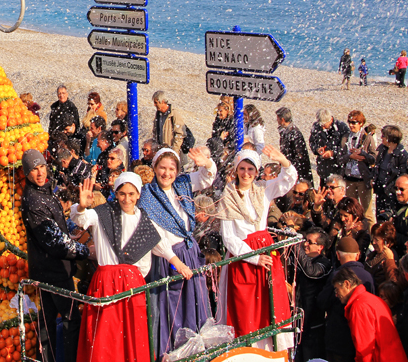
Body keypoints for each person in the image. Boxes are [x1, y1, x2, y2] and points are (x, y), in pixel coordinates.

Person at [71, 172, 185, 362]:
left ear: (138, 195)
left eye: (132, 194)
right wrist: (82, 206)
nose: (127, 198)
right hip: (106, 283)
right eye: (122, 193)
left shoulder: (143, 220)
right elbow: (81, 220)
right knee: (105, 334)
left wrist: (179, 264)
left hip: (133, 284)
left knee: (132, 333)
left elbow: (161, 245)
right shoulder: (103, 214)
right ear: (116, 194)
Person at [216, 146, 297, 351]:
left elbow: (288, 181)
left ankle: (272, 351)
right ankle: (250, 350)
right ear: (236, 170)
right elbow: (229, 238)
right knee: (247, 310)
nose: (246, 174)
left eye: (250, 169)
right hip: (244, 258)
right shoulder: (228, 196)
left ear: (256, 171)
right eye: (242, 169)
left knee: (270, 306)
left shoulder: (263, 189)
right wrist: (253, 257)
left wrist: (283, 161)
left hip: (266, 254)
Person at [138, 147, 216, 357]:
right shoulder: (147, 195)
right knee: (171, 310)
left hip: (189, 252)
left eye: (171, 168)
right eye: (162, 168)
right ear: (154, 168)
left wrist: (206, 163)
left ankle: (196, 354)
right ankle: (172, 354)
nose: (167, 173)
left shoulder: (182, 184)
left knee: (195, 305)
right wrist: (176, 262)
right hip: (167, 260)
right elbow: (154, 237)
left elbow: (207, 178)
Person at [19, 150, 89, 362]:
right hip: (54, 270)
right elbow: (55, 241)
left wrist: (73, 228)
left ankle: (46, 358)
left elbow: (57, 230)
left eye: (41, 166)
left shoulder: (44, 192)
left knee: (48, 320)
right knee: (70, 320)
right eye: (33, 169)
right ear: (26, 173)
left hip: (47, 269)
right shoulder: (34, 200)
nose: (39, 172)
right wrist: (86, 252)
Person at [332, 266, 408, 362]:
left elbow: (364, 348)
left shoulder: (359, 306)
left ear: (347, 284)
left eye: (337, 289)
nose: (336, 294)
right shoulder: (372, 299)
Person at [293, 228, 331, 362]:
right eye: (305, 241)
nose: (305, 244)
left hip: (313, 324)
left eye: (310, 242)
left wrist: (296, 245)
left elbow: (311, 272)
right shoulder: (302, 262)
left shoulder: (325, 263)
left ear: (320, 247)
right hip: (298, 322)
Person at [342, 110, 376, 229]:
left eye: (354, 122)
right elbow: (340, 158)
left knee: (367, 213)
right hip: (349, 179)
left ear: (361, 123)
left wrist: (363, 155)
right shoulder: (346, 137)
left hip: (363, 180)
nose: (351, 125)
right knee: (350, 211)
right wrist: (350, 156)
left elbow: (374, 158)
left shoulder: (367, 138)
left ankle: (372, 240)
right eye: (350, 122)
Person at [371, 125, 408, 221]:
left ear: (390, 138)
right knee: (380, 217)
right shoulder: (382, 150)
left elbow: (402, 176)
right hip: (381, 191)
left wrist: (391, 189)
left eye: (383, 136)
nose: (381, 138)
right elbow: (377, 167)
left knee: (390, 219)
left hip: (392, 194)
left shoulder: (402, 155)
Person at [276, 107, 313, 187]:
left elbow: (300, 156)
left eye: (278, 119)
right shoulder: (286, 131)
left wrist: (290, 168)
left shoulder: (294, 134)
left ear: (282, 119)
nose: (277, 121)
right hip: (289, 169)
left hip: (297, 172)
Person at [309, 109, 348, 185]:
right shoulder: (316, 126)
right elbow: (312, 142)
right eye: (321, 125)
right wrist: (317, 149)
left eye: (324, 125)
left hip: (338, 169)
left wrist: (333, 153)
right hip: (323, 168)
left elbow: (347, 147)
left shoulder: (342, 127)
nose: (323, 128)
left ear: (330, 120)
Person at [365, 221, 399, 287]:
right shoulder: (373, 255)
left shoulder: (391, 258)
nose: (373, 242)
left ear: (387, 242)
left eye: (376, 240)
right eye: (373, 239)